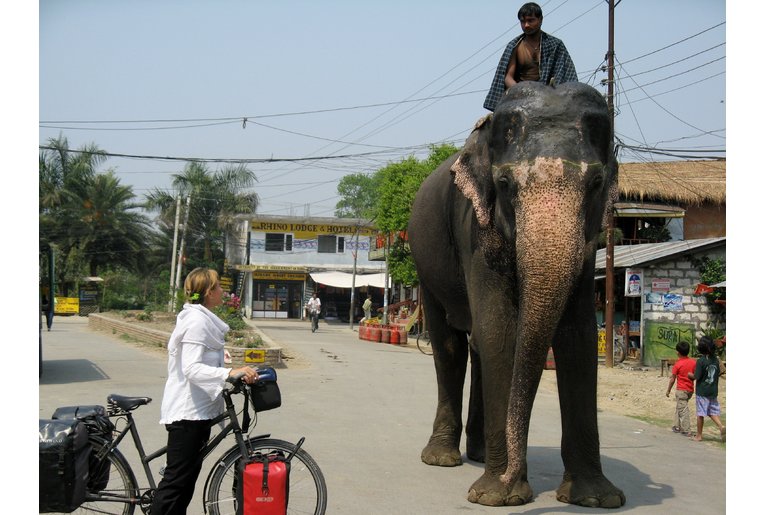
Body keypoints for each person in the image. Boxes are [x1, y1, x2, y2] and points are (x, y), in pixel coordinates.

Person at [152, 267, 258, 514]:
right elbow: (191, 368)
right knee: (175, 484)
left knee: (185, 483)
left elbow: (202, 357)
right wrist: (227, 373)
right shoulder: (198, 321)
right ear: (209, 292)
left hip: (197, 413)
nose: (223, 290)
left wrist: (225, 364)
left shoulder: (201, 318)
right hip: (187, 413)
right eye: (219, 286)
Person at [483, 2, 579, 112]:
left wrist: (546, 95)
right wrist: (524, 92)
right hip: (520, 98)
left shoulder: (555, 45)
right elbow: (508, 78)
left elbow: (563, 77)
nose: (526, 25)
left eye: (530, 20)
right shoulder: (515, 46)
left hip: (550, 98)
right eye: (523, 22)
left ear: (541, 19)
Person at [688, 336, 725, 442]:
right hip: (713, 391)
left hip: (702, 391)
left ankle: (699, 435)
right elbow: (719, 372)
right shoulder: (716, 360)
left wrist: (689, 375)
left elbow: (697, 376)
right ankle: (721, 426)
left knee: (701, 413)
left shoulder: (701, 361)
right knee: (711, 411)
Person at [665, 341, 696, 435]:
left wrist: (668, 390)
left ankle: (686, 429)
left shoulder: (677, 364)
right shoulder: (693, 362)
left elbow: (672, 379)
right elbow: (695, 375)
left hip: (681, 390)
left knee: (683, 409)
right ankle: (676, 425)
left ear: (678, 352)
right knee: (680, 406)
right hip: (690, 390)